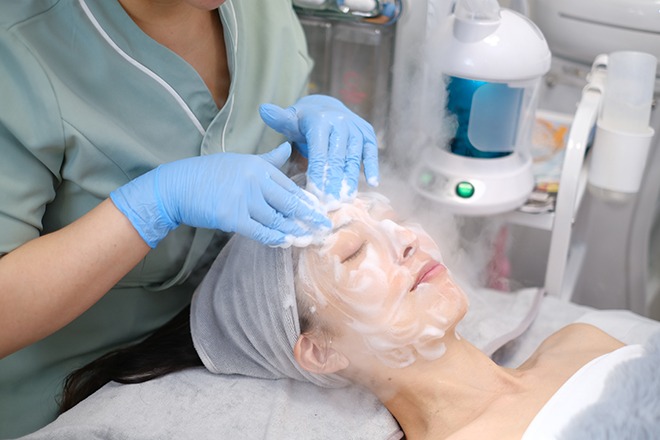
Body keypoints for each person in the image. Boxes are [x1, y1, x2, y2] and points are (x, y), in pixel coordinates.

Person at [0, 0, 379, 436]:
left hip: (222, 369)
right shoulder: (19, 52)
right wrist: (151, 205)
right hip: (61, 400)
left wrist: (308, 142)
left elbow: (261, 154)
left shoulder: (262, 12)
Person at [54, 192, 653, 439]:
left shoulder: (579, 342)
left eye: (394, 221)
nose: (408, 240)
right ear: (321, 350)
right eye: (354, 251)